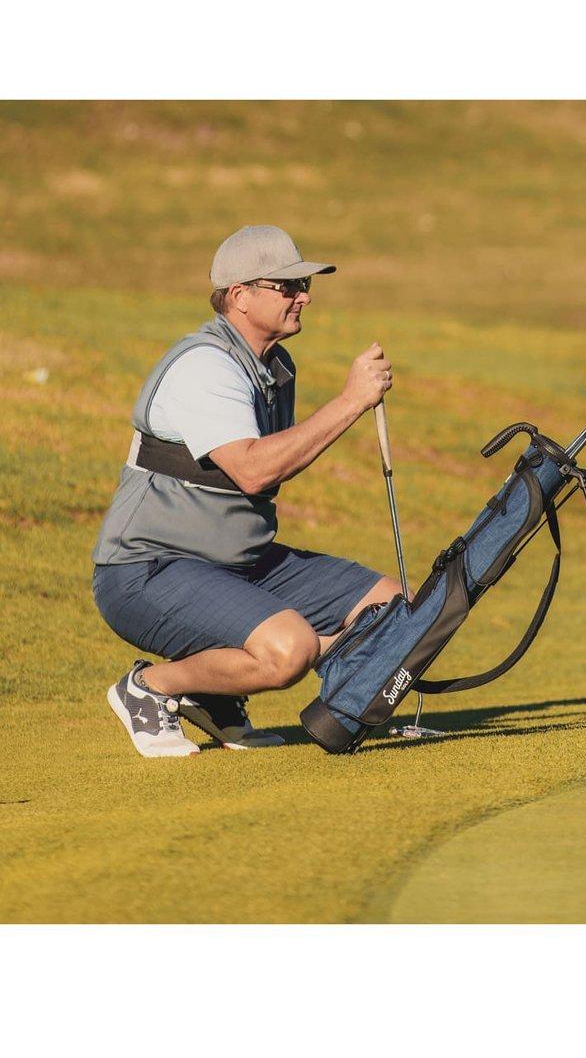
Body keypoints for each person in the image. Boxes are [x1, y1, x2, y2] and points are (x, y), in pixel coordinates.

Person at [92, 224, 400, 757]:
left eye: (305, 285)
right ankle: (152, 687)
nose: (303, 297)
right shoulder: (205, 366)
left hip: (240, 563)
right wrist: (351, 400)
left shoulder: (275, 368)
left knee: (397, 611)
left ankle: (213, 693)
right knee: (289, 650)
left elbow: (274, 467)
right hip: (149, 568)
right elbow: (255, 472)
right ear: (239, 295)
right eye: (287, 286)